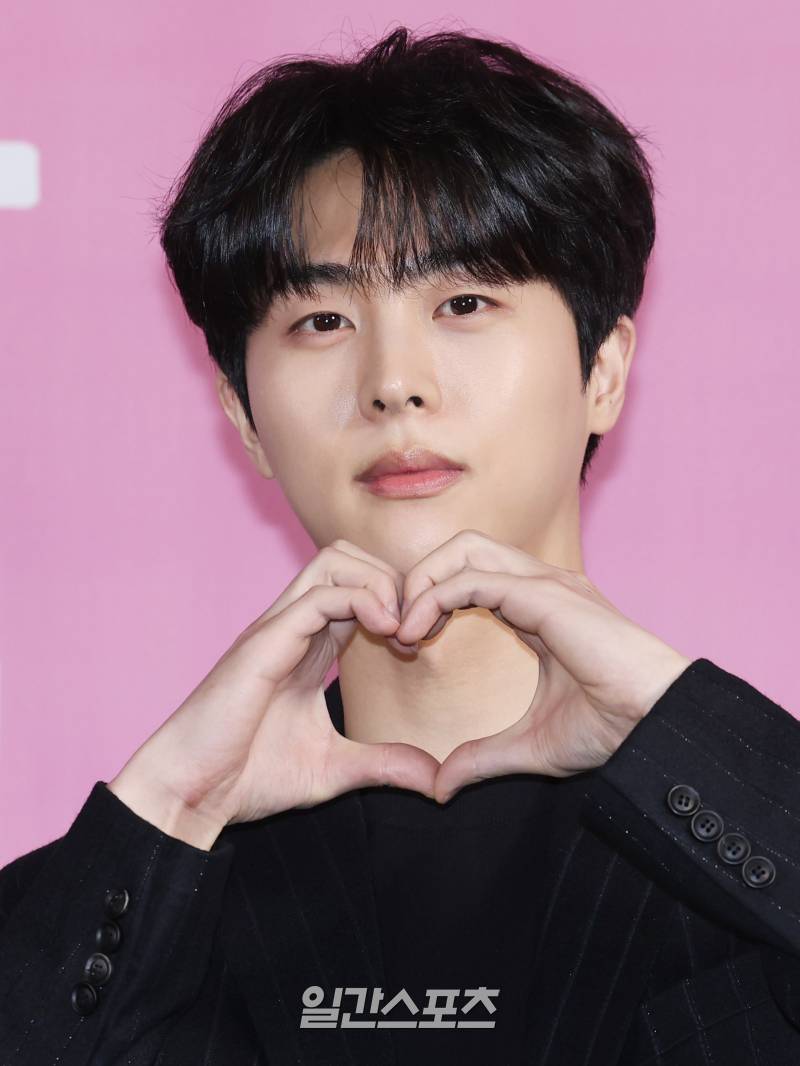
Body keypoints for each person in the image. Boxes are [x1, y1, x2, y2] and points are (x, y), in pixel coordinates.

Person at [1, 24, 798, 1065]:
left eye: (463, 301)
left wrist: (685, 737)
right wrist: (168, 806)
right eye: (322, 321)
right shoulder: (134, 898)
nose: (392, 383)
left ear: (601, 371)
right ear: (244, 415)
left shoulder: (755, 845)